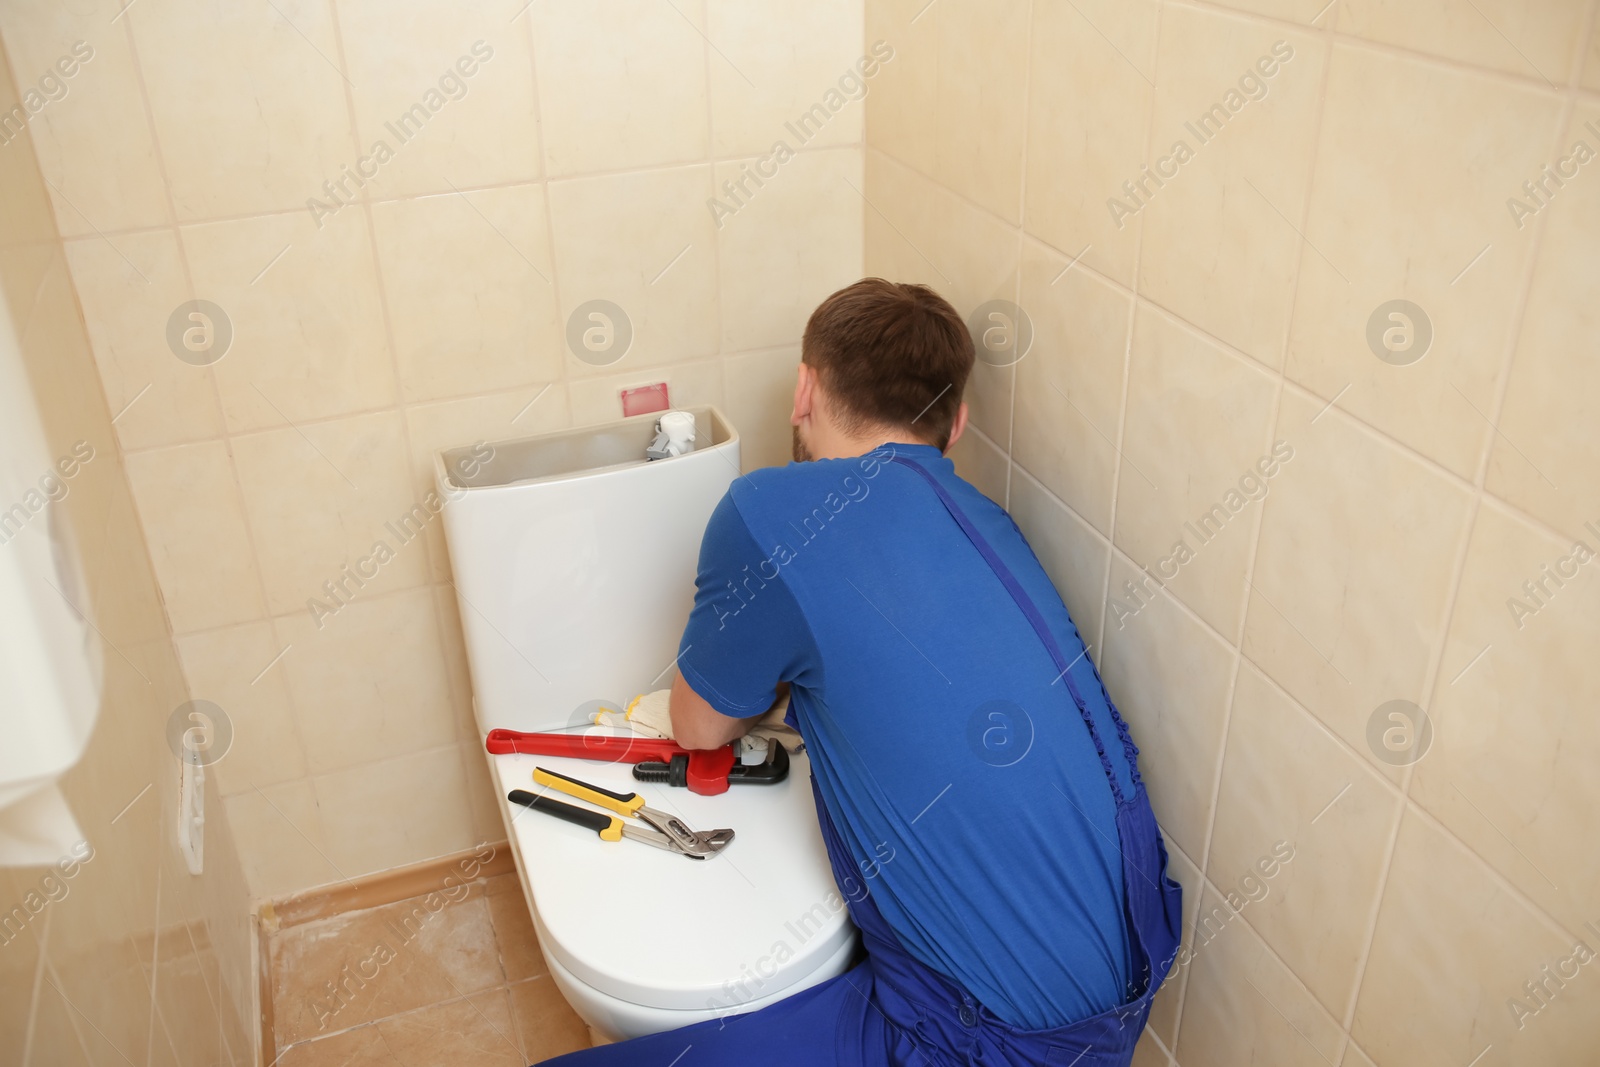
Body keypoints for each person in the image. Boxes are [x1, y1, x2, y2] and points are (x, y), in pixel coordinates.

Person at [543, 279, 1181, 1066]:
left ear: (804, 386)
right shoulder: (988, 522)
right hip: (1125, 987)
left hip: (983, 1042)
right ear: (957, 424)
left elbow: (697, 726)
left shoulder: (768, 508)